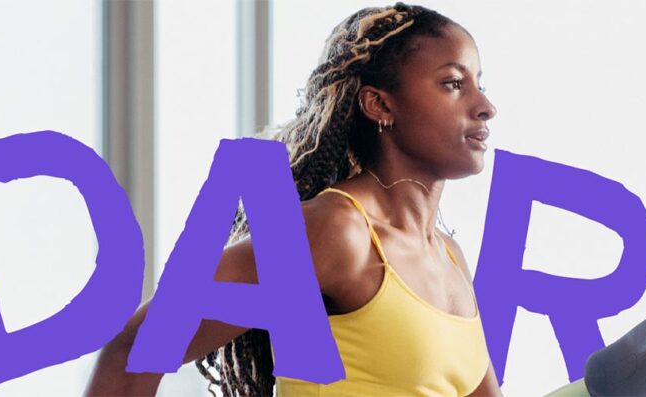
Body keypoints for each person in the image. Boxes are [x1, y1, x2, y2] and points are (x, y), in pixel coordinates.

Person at [86, 3, 501, 396]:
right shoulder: (334, 232)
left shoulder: (449, 258)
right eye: (453, 84)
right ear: (379, 104)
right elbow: (133, 349)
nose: (485, 107)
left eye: (479, 85)